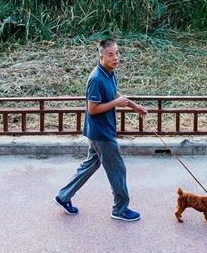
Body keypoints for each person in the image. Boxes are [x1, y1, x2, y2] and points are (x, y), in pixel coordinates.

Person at [54, 39, 148, 221]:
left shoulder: (109, 74)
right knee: (118, 170)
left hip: (101, 130)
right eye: (111, 55)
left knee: (90, 165)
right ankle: (120, 209)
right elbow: (92, 109)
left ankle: (63, 197)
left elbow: (113, 93)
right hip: (101, 133)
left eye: (117, 53)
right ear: (101, 57)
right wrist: (116, 103)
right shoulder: (96, 78)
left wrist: (134, 106)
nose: (116, 57)